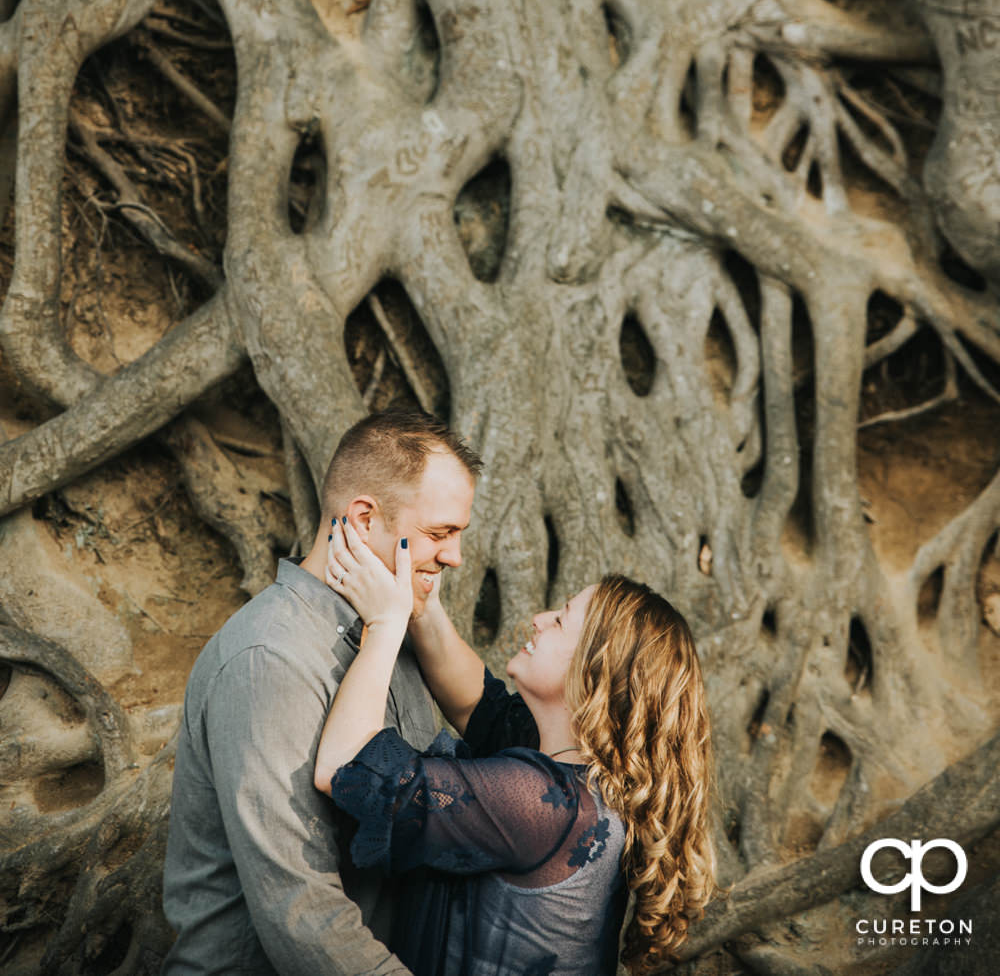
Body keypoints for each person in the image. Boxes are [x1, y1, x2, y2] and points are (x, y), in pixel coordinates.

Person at [161, 405, 481, 976]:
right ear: (361, 520)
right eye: (439, 534)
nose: (455, 556)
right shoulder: (271, 659)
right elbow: (301, 911)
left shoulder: (387, 628)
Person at [316, 521, 716, 976]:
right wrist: (420, 608)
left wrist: (385, 625)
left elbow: (346, 768)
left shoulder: (544, 806)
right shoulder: (583, 781)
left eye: (561, 619)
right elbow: (475, 703)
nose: (539, 619)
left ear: (592, 676)